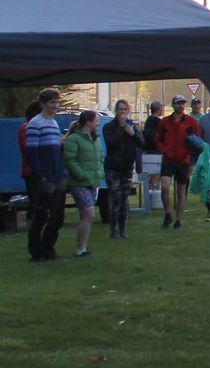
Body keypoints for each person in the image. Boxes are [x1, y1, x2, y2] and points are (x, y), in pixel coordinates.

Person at [23, 91, 66, 262]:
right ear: (43, 104)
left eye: (56, 102)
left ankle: (49, 247)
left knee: (58, 215)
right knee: (42, 214)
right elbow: (32, 153)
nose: (55, 106)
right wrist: (41, 176)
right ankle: (36, 250)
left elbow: (56, 151)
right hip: (45, 176)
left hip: (58, 174)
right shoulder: (35, 124)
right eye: (51, 103)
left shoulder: (54, 123)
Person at [152, 94, 200, 229]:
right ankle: (168, 214)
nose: (181, 105)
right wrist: (164, 149)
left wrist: (191, 158)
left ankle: (178, 220)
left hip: (183, 160)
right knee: (165, 187)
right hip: (168, 159)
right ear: (173, 105)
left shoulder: (191, 122)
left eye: (183, 103)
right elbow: (159, 138)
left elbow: (197, 141)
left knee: (181, 191)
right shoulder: (165, 121)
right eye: (178, 103)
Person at [61, 111, 104, 257]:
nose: (98, 123)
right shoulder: (73, 140)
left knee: (85, 217)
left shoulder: (95, 139)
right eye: (96, 120)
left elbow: (100, 159)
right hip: (78, 183)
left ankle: (82, 248)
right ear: (88, 122)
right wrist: (81, 175)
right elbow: (69, 160)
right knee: (89, 214)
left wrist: (100, 173)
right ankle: (80, 249)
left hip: (92, 182)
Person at [101, 100, 141, 240]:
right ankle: (113, 230)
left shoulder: (133, 126)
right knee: (116, 198)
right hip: (113, 167)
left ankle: (122, 230)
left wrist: (132, 134)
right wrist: (122, 129)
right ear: (115, 111)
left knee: (124, 200)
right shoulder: (109, 127)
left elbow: (141, 143)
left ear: (128, 111)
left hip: (127, 167)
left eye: (125, 109)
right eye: (120, 109)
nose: (122, 112)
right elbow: (110, 142)